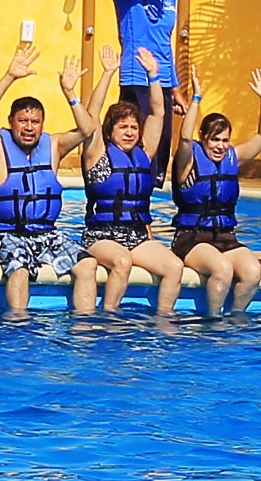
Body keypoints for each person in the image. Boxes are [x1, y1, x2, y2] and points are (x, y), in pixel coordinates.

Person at [0, 41, 87, 316]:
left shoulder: (54, 146)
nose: (29, 128)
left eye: (35, 122)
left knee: (87, 265)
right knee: (20, 267)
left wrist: (70, 93)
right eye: (23, 121)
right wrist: (9, 76)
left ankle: (84, 327)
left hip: (46, 235)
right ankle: (18, 324)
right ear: (11, 121)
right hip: (4, 235)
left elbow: (87, 129)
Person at [72, 54, 188, 317]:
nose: (129, 132)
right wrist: (108, 73)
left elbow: (158, 112)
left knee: (174, 267)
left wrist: (154, 75)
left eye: (134, 127)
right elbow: (92, 115)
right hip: (101, 236)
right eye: (122, 127)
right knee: (122, 262)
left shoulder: (144, 153)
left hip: (136, 237)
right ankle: (109, 316)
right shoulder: (97, 154)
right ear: (110, 130)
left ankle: (163, 320)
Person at [170, 72, 261, 318]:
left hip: (225, 237)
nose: (220, 146)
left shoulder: (232, 158)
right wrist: (196, 98)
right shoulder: (188, 162)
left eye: (225, 140)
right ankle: (213, 322)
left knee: (253, 271)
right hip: (192, 238)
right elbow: (184, 137)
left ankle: (235, 320)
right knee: (223, 269)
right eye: (214, 139)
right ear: (203, 138)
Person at [104, 0, 189, 170]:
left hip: (162, 83)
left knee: (159, 153)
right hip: (137, 81)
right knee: (136, 148)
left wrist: (175, 89)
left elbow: (164, 45)